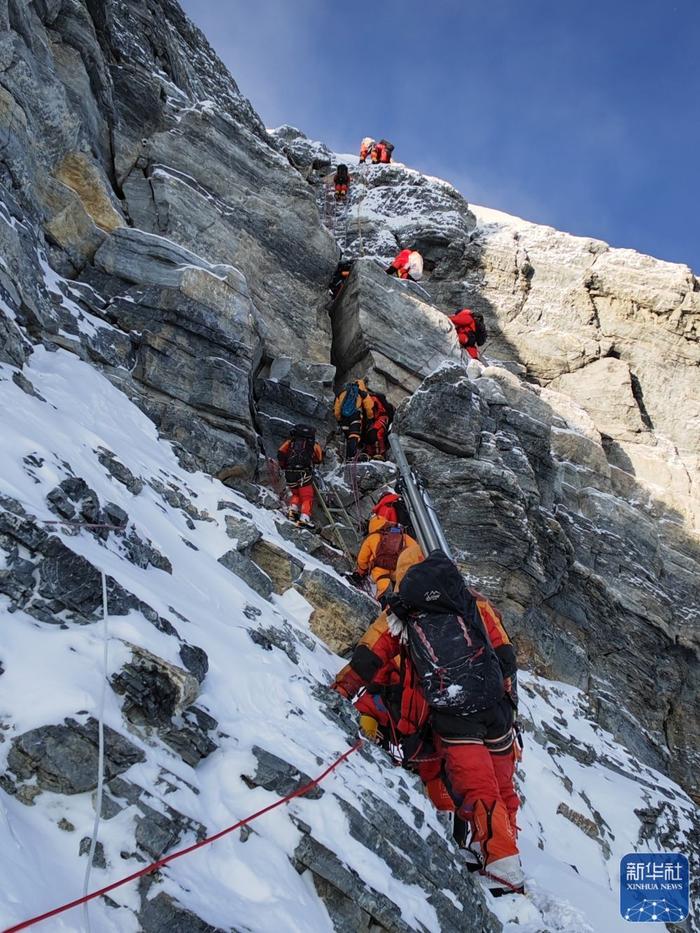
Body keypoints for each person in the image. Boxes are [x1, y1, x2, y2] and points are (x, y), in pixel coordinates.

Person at [335, 549, 523, 896]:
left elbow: (367, 656)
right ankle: (500, 851)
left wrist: (338, 691)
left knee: (476, 786)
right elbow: (506, 656)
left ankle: (503, 865)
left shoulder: (400, 615)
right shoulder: (474, 605)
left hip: (451, 716)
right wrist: (505, 700)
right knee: (503, 785)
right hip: (496, 710)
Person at [353, 515, 418, 605]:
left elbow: (362, 559)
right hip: (399, 567)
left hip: (382, 567)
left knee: (378, 569)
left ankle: (383, 594)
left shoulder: (372, 537)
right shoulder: (399, 533)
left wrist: (361, 571)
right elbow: (415, 548)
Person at [277, 424, 324, 526]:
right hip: (304, 472)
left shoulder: (291, 442)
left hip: (289, 472)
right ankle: (305, 517)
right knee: (307, 496)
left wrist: (283, 465)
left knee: (296, 494)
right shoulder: (313, 444)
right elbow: (319, 458)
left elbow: (280, 452)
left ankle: (292, 512)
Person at [333, 379, 374, 461]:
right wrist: (370, 418)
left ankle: (341, 457)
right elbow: (369, 407)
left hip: (344, 417)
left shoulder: (342, 393)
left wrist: (339, 419)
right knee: (354, 436)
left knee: (345, 437)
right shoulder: (362, 393)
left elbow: (336, 410)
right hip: (355, 416)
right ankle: (351, 456)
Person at [363, 391, 394, 460]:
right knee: (370, 434)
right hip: (379, 418)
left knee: (376, 432)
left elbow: (370, 410)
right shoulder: (371, 397)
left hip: (382, 417)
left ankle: (380, 454)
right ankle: (371, 454)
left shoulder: (371, 398)